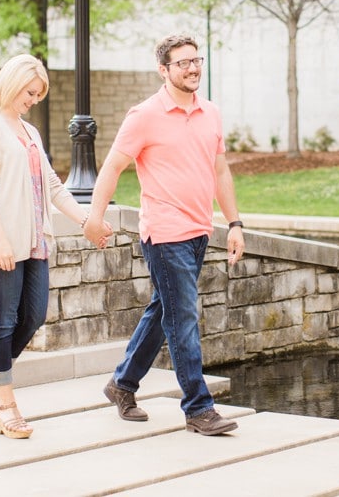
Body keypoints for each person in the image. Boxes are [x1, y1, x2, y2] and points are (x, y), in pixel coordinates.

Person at [83, 33, 245, 436]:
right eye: (182, 63)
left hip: (198, 232)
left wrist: (235, 223)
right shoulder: (144, 115)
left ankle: (122, 384)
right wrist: (94, 216)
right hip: (164, 232)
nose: (192, 68)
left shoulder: (210, 113)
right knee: (183, 317)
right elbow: (111, 167)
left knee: (165, 310)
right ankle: (198, 407)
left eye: (196, 60)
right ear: (163, 69)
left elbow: (220, 171)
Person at [0, 53, 111, 439]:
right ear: (13, 84)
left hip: (34, 243)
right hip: (3, 242)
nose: (33, 100)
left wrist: (87, 221)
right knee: (3, 320)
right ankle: (4, 403)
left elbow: (52, 187)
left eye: (37, 95)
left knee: (34, 316)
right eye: (30, 93)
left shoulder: (30, 133)